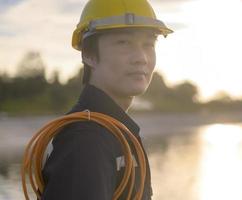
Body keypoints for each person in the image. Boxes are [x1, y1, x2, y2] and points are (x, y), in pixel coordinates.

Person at [40, 0, 173, 199]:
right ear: (89, 55)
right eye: (123, 43)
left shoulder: (113, 131)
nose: (141, 58)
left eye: (149, 44)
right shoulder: (86, 140)